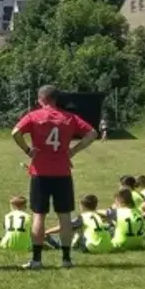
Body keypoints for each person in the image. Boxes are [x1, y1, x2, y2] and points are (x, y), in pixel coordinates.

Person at [11, 85, 97, 269]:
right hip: (62, 172)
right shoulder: (69, 117)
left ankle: (36, 260)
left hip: (40, 172)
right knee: (64, 216)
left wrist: (27, 150)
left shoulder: (34, 116)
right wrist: (73, 150)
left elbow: (15, 132)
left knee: (38, 215)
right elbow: (92, 133)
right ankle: (66, 259)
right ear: (56, 99)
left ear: (41, 99)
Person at [47, 195, 113, 254]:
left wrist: (46, 232)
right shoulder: (100, 216)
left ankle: (55, 243)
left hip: (93, 247)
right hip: (108, 247)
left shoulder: (83, 217)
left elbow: (63, 227)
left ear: (82, 206)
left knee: (76, 231)